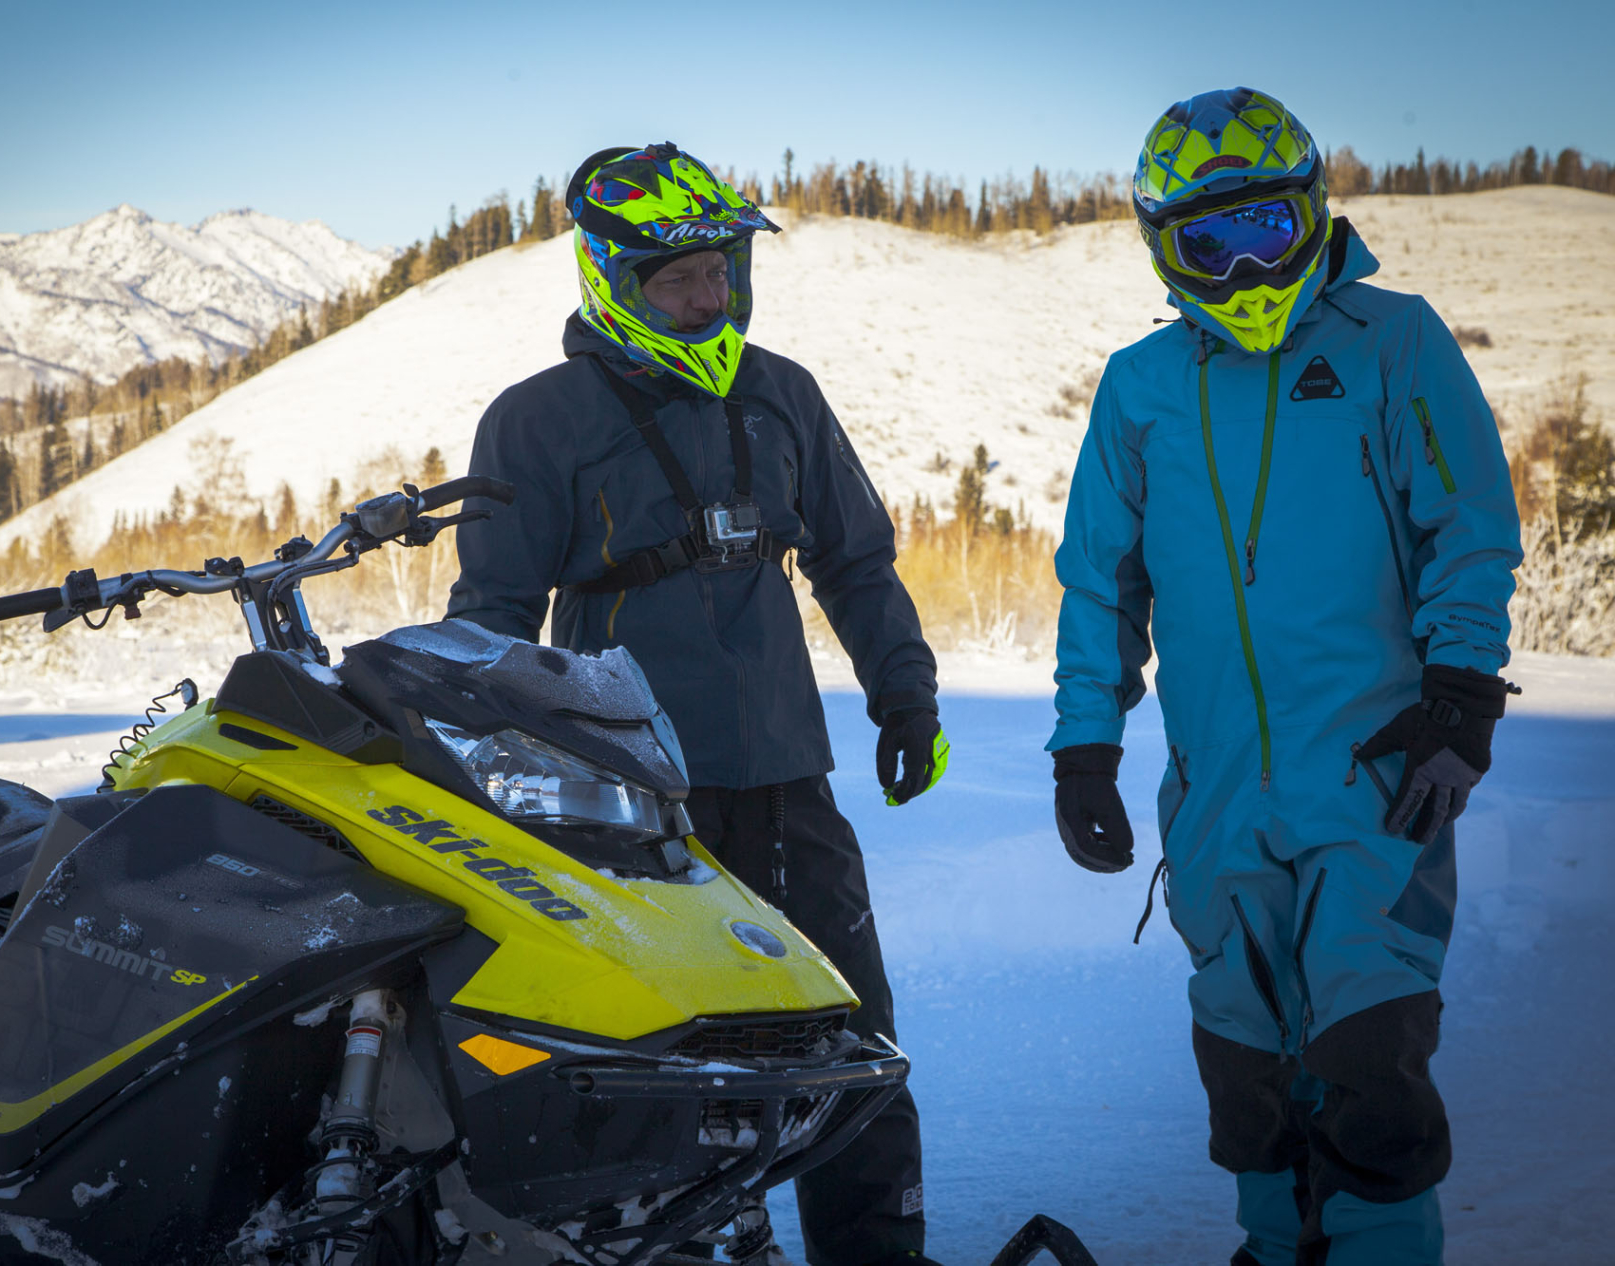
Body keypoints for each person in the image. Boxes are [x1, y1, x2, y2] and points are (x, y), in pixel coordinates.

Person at [446, 142, 947, 1266]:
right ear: (611, 279)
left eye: (720, 270)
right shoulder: (537, 419)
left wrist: (904, 697)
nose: (707, 295)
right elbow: (492, 616)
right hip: (628, 802)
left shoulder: (783, 393)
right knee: (656, 1063)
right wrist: (486, 770)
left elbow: (858, 562)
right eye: (677, 278)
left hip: (787, 780)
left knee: (852, 1046)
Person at [1048, 88, 1521, 1266]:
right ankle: (1275, 1249)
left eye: (1265, 228)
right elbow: (1100, 580)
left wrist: (1462, 692)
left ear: (1311, 213)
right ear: (1163, 249)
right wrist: (1085, 744)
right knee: (1247, 1069)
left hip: (1375, 773)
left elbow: (1466, 527)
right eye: (1209, 244)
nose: (1245, 267)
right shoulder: (1141, 384)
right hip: (1215, 794)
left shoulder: (1391, 340)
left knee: (1367, 1055)